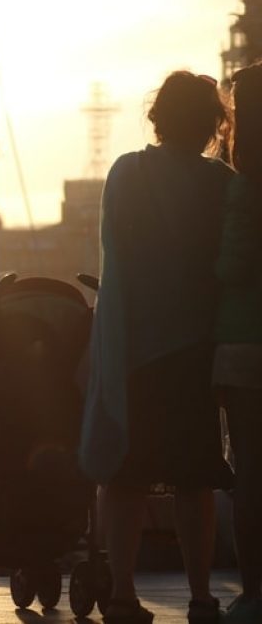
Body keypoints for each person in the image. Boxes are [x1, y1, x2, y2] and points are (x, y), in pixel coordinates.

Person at [80, 71, 234, 624]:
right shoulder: (222, 183)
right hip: (196, 351)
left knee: (125, 476)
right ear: (212, 125)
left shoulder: (127, 172)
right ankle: (200, 597)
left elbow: (114, 260)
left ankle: (122, 593)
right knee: (196, 477)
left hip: (136, 350)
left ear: (158, 117)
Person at [213, 62, 262, 623]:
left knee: (251, 472)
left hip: (247, 349)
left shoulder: (246, 188)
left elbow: (231, 266)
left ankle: (254, 590)